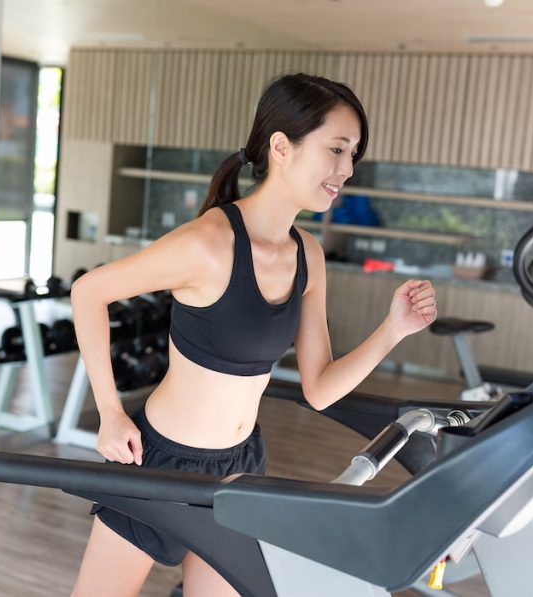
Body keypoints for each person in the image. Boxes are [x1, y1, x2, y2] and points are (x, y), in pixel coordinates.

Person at [68, 73, 438, 597]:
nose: (346, 169)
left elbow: (320, 388)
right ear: (282, 147)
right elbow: (88, 292)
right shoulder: (209, 243)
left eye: (353, 154)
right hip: (161, 464)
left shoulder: (306, 255)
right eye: (336, 149)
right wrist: (109, 412)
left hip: (240, 466)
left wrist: (393, 330)